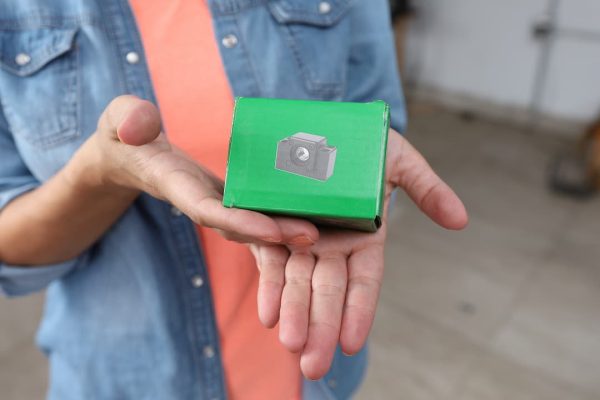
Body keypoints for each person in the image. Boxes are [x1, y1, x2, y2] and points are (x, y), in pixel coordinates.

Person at [0, 0, 467, 399]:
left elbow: (374, 122)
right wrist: (103, 173)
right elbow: (9, 245)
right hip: (125, 376)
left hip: (306, 366)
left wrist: (368, 167)